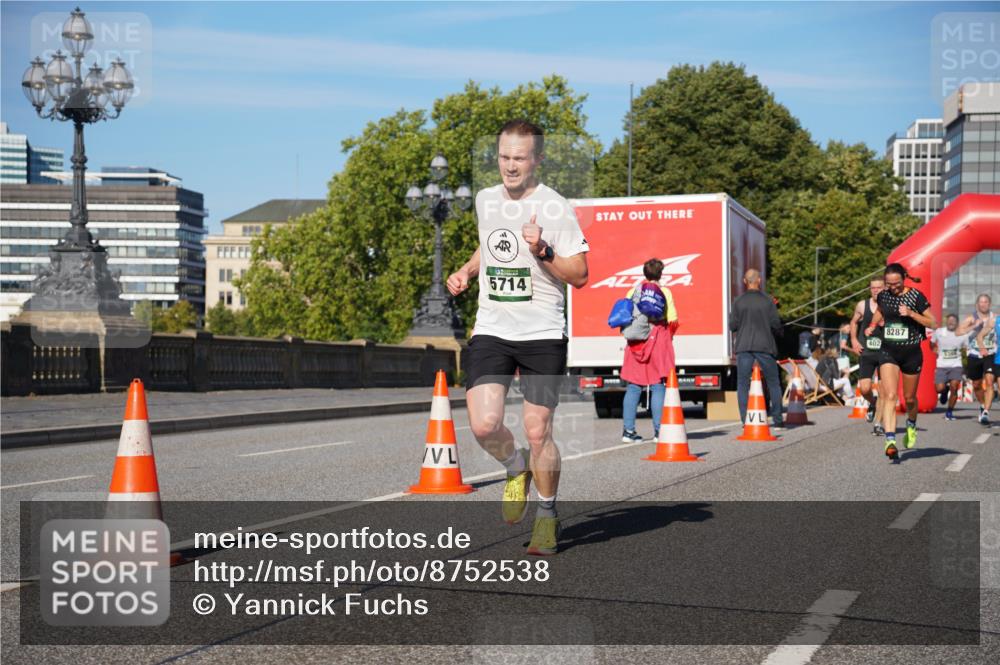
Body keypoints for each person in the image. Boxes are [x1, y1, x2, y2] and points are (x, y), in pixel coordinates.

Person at [446, 119, 589, 556]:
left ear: (537, 159)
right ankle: (515, 467)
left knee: (537, 428)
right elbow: (489, 244)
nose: (510, 166)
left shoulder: (556, 208)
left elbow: (580, 275)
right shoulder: (486, 200)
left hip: (543, 331)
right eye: (504, 157)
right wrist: (468, 271)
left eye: (520, 158)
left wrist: (542, 249)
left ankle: (547, 515)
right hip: (492, 326)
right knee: (484, 424)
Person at [866, 263, 936, 460]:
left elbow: (933, 322)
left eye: (896, 283)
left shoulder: (915, 296)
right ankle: (890, 441)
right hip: (888, 351)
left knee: (910, 398)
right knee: (889, 395)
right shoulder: (884, 295)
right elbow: (881, 310)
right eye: (889, 284)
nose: (893, 287)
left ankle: (911, 424)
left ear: (904, 278)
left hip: (911, 353)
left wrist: (912, 314)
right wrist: (872, 324)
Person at [619, 259, 679, 443]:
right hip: (658, 340)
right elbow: (673, 319)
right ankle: (659, 431)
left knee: (633, 386)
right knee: (658, 385)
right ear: (661, 274)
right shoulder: (665, 292)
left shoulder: (633, 291)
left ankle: (628, 432)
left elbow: (626, 315)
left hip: (636, 341)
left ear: (644, 273)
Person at [729, 268, 784, 430]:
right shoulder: (768, 301)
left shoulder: (738, 301)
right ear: (759, 281)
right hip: (765, 345)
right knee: (774, 382)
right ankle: (778, 419)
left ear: (745, 282)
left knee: (742, 384)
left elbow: (733, 326)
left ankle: (746, 420)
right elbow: (776, 325)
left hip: (744, 346)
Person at [849, 277, 890, 435]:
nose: (875, 290)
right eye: (873, 288)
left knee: (883, 390)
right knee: (865, 388)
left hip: (885, 353)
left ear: (885, 289)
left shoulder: (890, 306)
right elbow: (854, 322)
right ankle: (872, 403)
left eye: (879, 287)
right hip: (866, 352)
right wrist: (853, 340)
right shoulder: (862, 305)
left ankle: (878, 424)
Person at [956, 294, 995, 425]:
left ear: (989, 304)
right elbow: (958, 332)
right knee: (977, 385)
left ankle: (986, 413)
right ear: (977, 304)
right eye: (981, 302)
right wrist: (973, 326)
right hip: (974, 354)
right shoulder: (971, 318)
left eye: (986, 302)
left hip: (990, 353)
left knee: (989, 381)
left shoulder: (994, 318)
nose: (983, 304)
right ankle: (983, 405)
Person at [931, 314, 968, 421]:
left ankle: (949, 411)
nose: (951, 322)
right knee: (939, 388)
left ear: (957, 323)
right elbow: (932, 343)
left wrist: (964, 366)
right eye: (949, 320)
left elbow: (964, 351)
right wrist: (935, 351)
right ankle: (944, 391)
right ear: (946, 322)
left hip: (956, 365)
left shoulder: (962, 335)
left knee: (955, 387)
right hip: (942, 365)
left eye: (954, 321)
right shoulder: (939, 332)